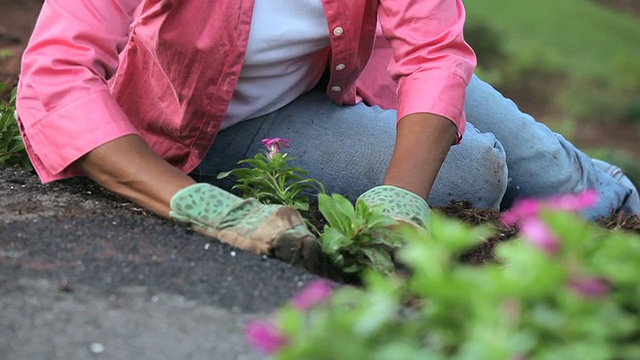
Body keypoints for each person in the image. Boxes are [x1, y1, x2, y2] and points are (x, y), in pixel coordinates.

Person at [16, 0, 639, 272]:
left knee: (563, 179)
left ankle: (620, 211)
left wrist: (398, 206)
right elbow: (56, 78)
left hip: (352, 72)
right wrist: (200, 206)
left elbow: (432, 52)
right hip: (217, 128)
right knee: (475, 169)